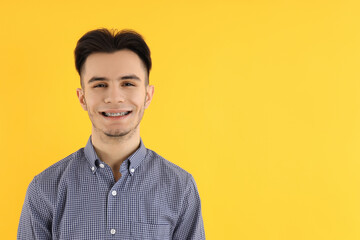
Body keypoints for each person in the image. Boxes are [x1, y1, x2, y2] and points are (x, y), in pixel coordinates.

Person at [17, 28, 205, 240]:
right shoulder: (44, 189)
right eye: (100, 85)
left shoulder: (180, 188)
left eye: (127, 83)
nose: (114, 97)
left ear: (148, 95)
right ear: (82, 98)